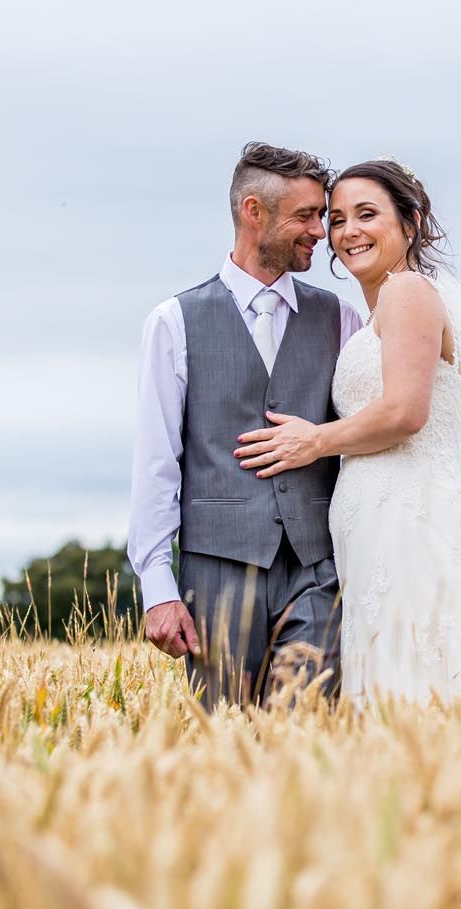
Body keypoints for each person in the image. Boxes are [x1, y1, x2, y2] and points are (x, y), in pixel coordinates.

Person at [235, 158, 461, 701]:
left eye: (367, 214)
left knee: (440, 681)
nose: (347, 231)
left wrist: (310, 440)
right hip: (375, 527)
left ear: (408, 223)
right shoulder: (378, 313)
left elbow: (406, 413)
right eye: (336, 220)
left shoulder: (409, 294)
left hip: (410, 523)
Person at [127, 142, 364, 708]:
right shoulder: (173, 322)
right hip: (216, 576)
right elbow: (156, 464)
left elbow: (367, 434)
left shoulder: (342, 317)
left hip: (319, 568)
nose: (320, 231)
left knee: (306, 735)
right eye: (306, 216)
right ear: (253, 212)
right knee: (224, 743)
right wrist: (157, 589)